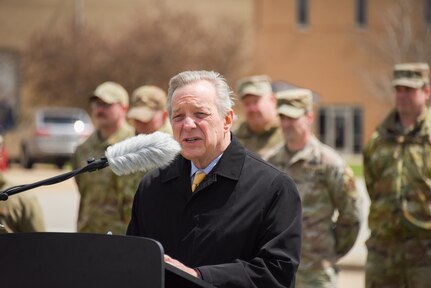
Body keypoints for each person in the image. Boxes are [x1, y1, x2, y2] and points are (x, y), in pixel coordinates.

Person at [127, 70, 302, 287]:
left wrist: (200, 277)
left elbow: (277, 274)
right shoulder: (152, 186)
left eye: (200, 114)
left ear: (227, 119)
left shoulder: (273, 188)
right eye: (178, 116)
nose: (188, 124)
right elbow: (134, 261)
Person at [264, 88, 361, 287]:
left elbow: (351, 216)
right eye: (282, 117)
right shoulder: (270, 162)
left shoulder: (329, 163)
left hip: (316, 273)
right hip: (278, 270)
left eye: (292, 118)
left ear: (309, 117)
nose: (286, 124)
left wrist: (328, 250)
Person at [363, 62, 431, 288]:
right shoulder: (379, 139)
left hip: (425, 252)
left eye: (409, 90)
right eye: (398, 90)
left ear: (426, 91)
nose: (402, 96)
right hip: (384, 251)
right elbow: (372, 186)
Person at [71, 81, 134, 234]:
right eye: (96, 104)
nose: (99, 109)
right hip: (89, 232)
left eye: (106, 105)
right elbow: (83, 190)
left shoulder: (135, 145)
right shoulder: (83, 149)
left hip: (124, 235)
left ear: (123, 108)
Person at [233, 75, 284, 157]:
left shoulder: (287, 134)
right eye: (247, 104)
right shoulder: (232, 140)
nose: (252, 109)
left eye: (255, 102)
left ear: (272, 100)